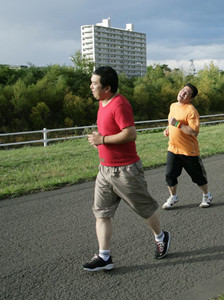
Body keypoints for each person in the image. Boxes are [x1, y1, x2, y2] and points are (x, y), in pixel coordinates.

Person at [84, 66, 170, 271]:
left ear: (107, 87)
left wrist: (102, 139)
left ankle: (161, 236)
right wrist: (100, 140)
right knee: (101, 213)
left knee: (145, 209)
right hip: (104, 170)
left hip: (125, 171)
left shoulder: (119, 104)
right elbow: (112, 132)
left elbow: (130, 133)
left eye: (94, 83)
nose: (91, 87)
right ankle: (104, 256)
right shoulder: (102, 103)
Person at [162, 83, 212, 209]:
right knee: (170, 175)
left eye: (186, 93)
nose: (182, 93)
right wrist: (167, 129)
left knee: (198, 177)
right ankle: (173, 196)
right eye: (182, 90)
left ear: (191, 98)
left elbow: (194, 132)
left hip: (189, 151)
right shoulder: (173, 105)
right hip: (173, 149)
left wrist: (177, 124)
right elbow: (170, 122)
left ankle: (207, 195)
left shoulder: (191, 111)